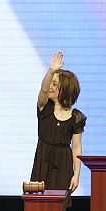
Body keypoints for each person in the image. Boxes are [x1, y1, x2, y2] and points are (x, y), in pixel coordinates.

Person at [31, 51, 85, 198]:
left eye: (55, 84)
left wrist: (77, 175)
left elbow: (77, 147)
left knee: (59, 207)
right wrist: (51, 71)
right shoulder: (45, 107)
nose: (50, 87)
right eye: (51, 83)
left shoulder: (76, 117)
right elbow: (43, 89)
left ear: (65, 89)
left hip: (63, 166)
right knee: (37, 205)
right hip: (42, 162)